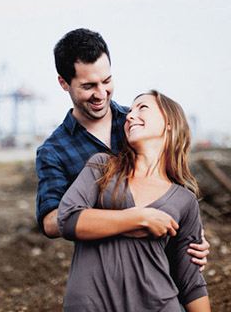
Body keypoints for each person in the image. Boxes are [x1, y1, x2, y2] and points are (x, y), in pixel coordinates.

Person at [35, 28, 210, 268]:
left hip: (161, 261)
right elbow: (52, 222)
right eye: (88, 86)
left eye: (106, 81)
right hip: (105, 268)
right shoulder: (53, 151)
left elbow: (176, 188)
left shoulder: (138, 123)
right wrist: (131, 220)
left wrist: (193, 236)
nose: (100, 94)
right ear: (64, 83)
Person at [58, 90, 211, 311]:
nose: (130, 116)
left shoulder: (184, 201)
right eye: (130, 111)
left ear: (169, 122)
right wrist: (137, 219)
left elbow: (191, 283)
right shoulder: (102, 167)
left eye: (142, 107)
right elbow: (68, 219)